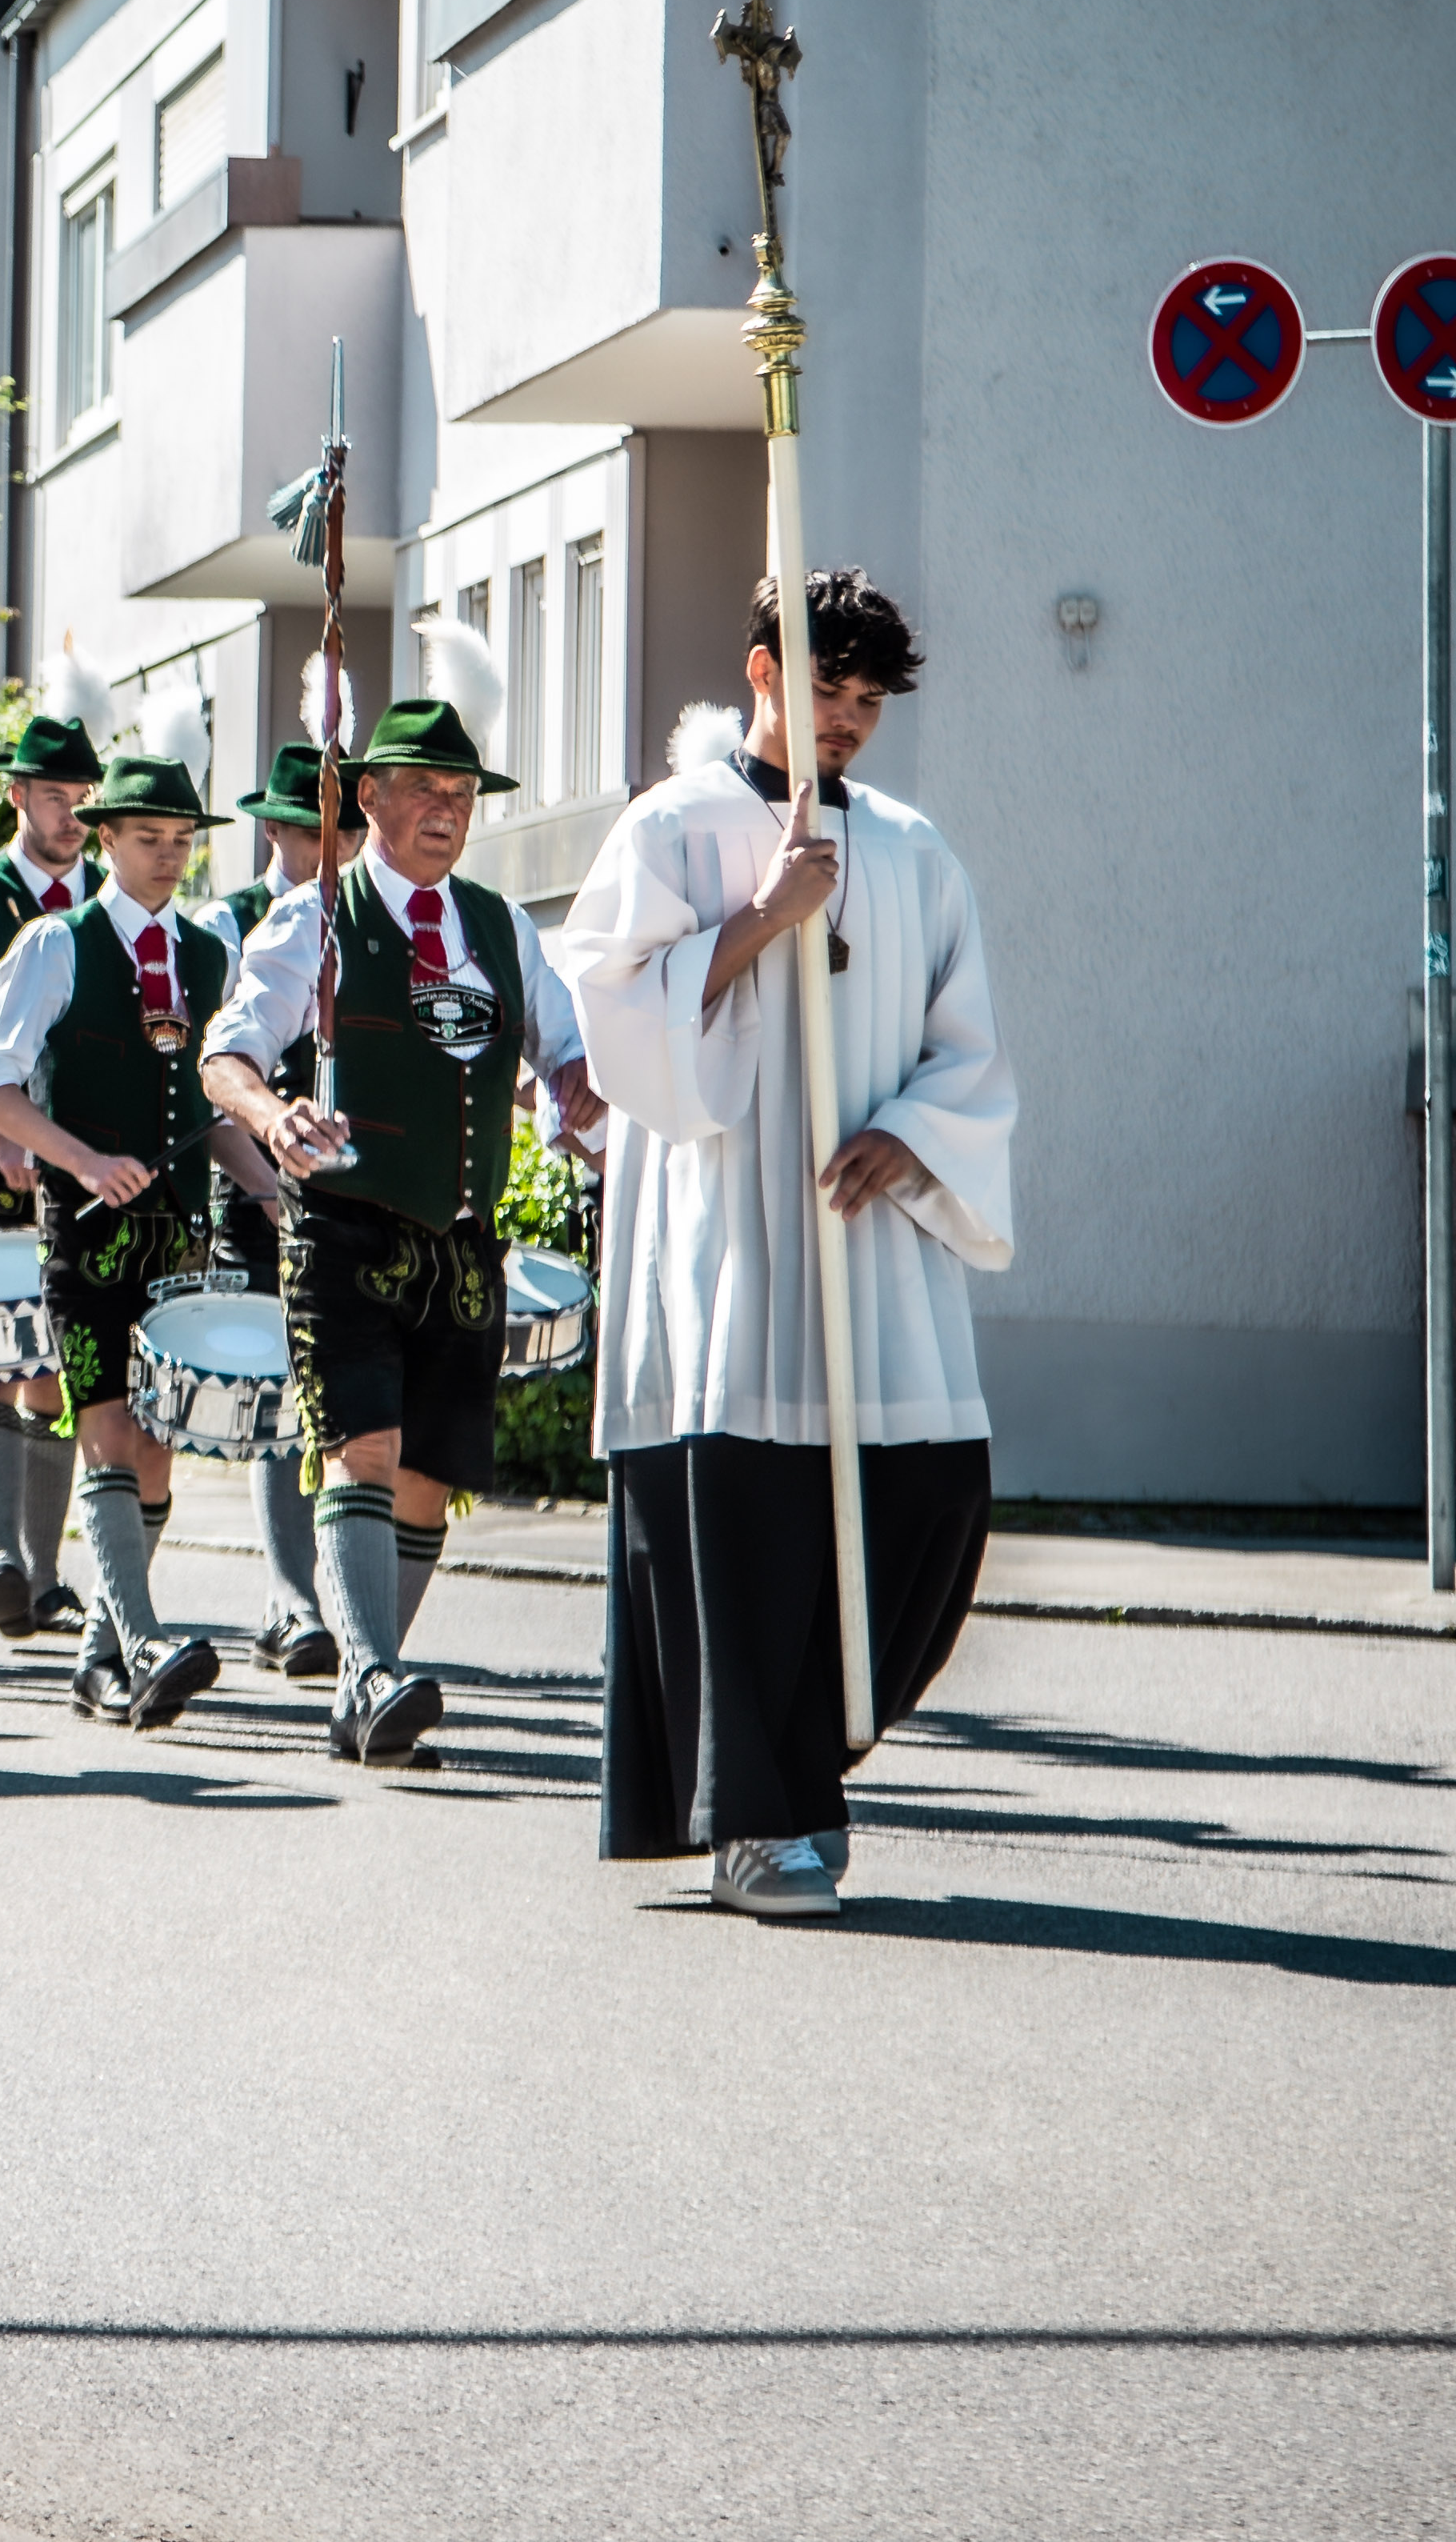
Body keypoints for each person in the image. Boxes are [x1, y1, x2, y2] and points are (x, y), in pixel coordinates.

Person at [550, 572, 1013, 1920]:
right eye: (828, 688)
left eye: (869, 700)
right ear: (763, 673)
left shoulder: (920, 852)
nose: (851, 720)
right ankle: (757, 1816)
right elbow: (610, 1008)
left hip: (868, 1243)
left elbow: (969, 1047)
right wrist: (762, 919)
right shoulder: (678, 827)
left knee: (928, 1505)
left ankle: (806, 1765)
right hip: (728, 1252)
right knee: (743, 1529)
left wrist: (919, 1133)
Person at [198, 618, 595, 1773]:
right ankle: (368, 1671)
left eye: (463, 793)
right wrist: (275, 1117)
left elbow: (561, 1056)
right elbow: (224, 1055)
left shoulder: (502, 925)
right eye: (423, 787)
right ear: (366, 796)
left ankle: (368, 1681)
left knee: (429, 1482)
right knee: (362, 1451)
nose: (447, 809)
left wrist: (581, 1100)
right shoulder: (315, 917)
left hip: (461, 1239)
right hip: (344, 1225)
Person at [0, 691, 285, 1728]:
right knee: (102, 1428)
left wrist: (275, 1183)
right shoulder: (55, 947)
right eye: (149, 837)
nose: (169, 855)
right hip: (89, 1239)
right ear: (103, 839)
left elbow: (211, 1109)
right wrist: (79, 1160)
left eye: (183, 839)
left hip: (180, 1237)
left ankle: (105, 1654)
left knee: (154, 1447)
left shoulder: (206, 954)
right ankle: (142, 1641)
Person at [0, 659, 111, 1642]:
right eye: (53, 794)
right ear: (18, 795)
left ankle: (45, 1573)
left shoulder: (106, 898)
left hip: (82, 1157)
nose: (69, 812)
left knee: (56, 1360)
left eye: (82, 796)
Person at [203, 739, 351, 1682]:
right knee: (277, 1398)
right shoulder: (230, 923)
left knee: (343, 1398)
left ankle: (326, 1589)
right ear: (272, 829)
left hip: (348, 1186)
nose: (324, 850)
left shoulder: (366, 913)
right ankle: (288, 1596)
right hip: (259, 1183)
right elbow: (210, 1071)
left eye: (340, 832)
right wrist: (266, 1188)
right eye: (306, 831)